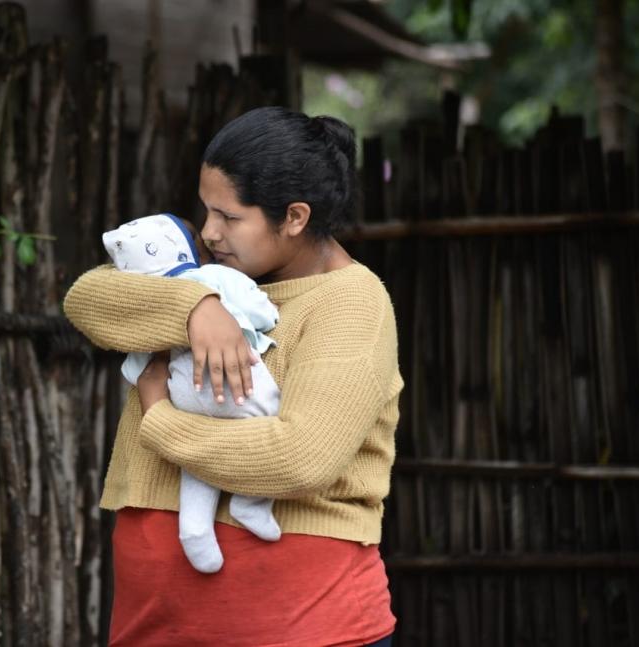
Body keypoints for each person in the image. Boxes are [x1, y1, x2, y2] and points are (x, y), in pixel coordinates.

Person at [63, 106, 401, 647]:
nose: (209, 231)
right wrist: (196, 306)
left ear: (294, 217)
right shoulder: (205, 273)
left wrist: (161, 421)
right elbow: (88, 299)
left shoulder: (352, 304)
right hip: (156, 622)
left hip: (301, 627)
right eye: (206, 210)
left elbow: (299, 457)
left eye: (229, 216)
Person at [102, 212, 283, 574]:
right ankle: (251, 501)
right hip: (231, 384)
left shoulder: (150, 306)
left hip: (177, 390)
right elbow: (258, 308)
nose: (211, 235)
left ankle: (195, 528)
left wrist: (151, 393)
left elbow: (138, 366)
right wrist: (268, 317)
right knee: (265, 413)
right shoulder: (213, 279)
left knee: (194, 458)